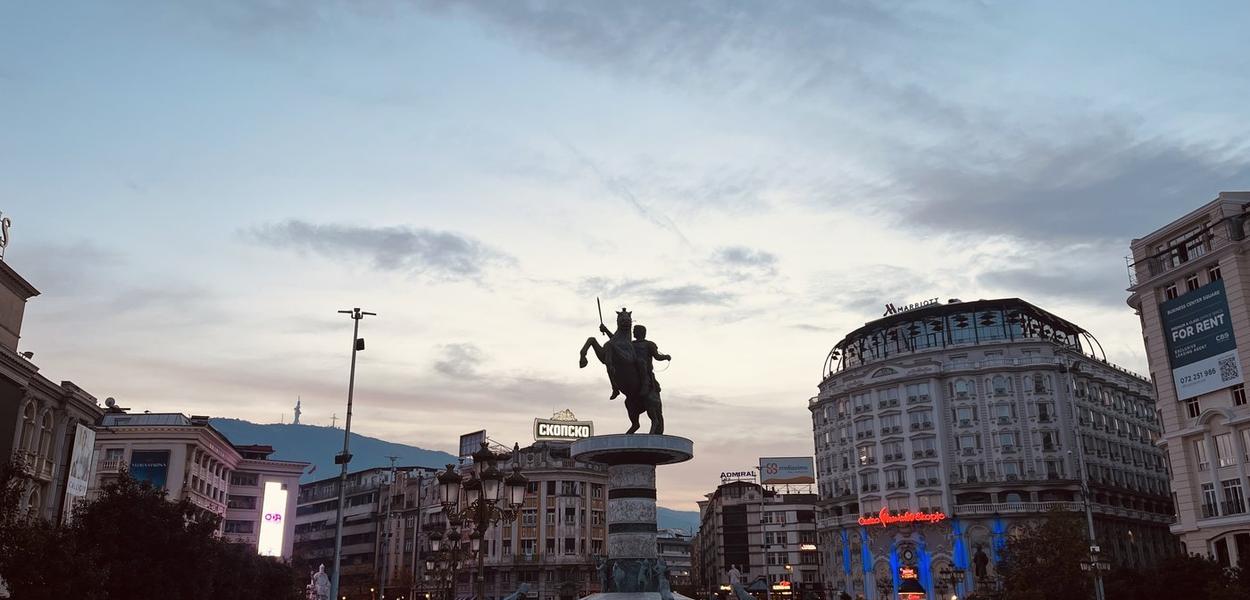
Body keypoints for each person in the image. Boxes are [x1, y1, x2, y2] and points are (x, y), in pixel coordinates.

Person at [632, 324, 671, 434]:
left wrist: (666, 357)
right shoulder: (630, 344)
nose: (633, 332)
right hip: (634, 371)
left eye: (635, 330)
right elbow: (618, 344)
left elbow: (657, 356)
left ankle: (645, 384)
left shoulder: (649, 344)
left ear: (641, 332)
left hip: (646, 373)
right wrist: (606, 330)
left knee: (641, 362)